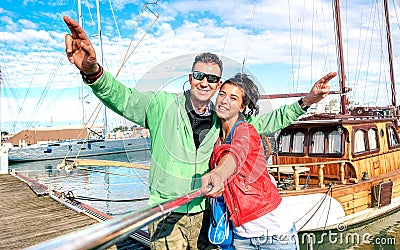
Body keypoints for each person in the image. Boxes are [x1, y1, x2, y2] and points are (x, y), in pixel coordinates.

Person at [63, 15, 336, 250]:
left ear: (218, 85)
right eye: (199, 75)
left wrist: (308, 101)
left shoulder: (224, 121)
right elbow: (122, 97)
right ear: (190, 77)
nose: (205, 82)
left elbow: (270, 121)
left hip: (206, 213)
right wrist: (93, 73)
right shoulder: (160, 105)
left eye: (213, 79)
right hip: (168, 213)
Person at [201, 73, 299, 249]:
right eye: (222, 94)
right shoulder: (215, 138)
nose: (224, 101)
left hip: (274, 233)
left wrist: (218, 174)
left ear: (242, 106)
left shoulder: (246, 131)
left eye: (233, 98)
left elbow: (234, 155)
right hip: (241, 236)